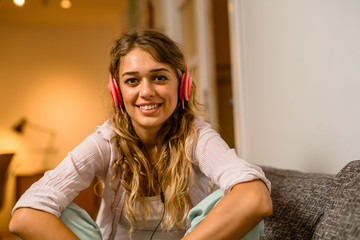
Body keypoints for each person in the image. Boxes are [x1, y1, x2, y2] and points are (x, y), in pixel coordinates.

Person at [9, 29, 272, 240]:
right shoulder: (106, 142)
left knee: (237, 200)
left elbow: (254, 199)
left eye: (159, 77)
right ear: (117, 91)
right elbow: (24, 216)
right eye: (132, 80)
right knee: (51, 209)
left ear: (182, 86)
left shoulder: (197, 137)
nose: (146, 92)